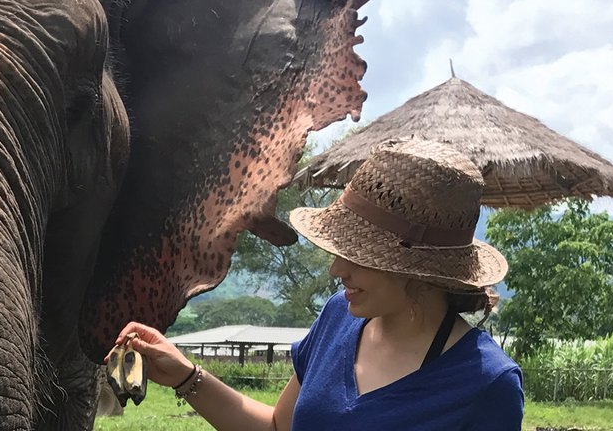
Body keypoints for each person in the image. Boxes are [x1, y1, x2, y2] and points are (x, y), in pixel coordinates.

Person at [109, 139, 523, 430]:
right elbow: (277, 427)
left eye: (359, 255)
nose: (336, 270)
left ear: (418, 269)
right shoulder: (338, 316)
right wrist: (186, 376)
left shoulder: (486, 383)